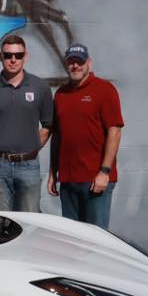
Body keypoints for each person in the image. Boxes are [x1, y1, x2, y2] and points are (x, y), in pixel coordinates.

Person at [0, 34, 54, 212]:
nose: (13, 60)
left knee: (31, 221)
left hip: (29, 165)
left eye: (18, 55)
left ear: (26, 56)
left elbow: (48, 126)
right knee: (2, 221)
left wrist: (32, 148)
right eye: (8, 55)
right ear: (1, 57)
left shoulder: (40, 87)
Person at [47, 43, 124, 228]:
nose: (75, 66)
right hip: (68, 180)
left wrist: (104, 172)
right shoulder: (61, 95)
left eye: (79, 62)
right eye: (71, 62)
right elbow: (57, 136)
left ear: (89, 63)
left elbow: (115, 131)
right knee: (73, 240)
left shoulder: (105, 90)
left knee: (97, 239)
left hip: (95, 180)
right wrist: (53, 173)